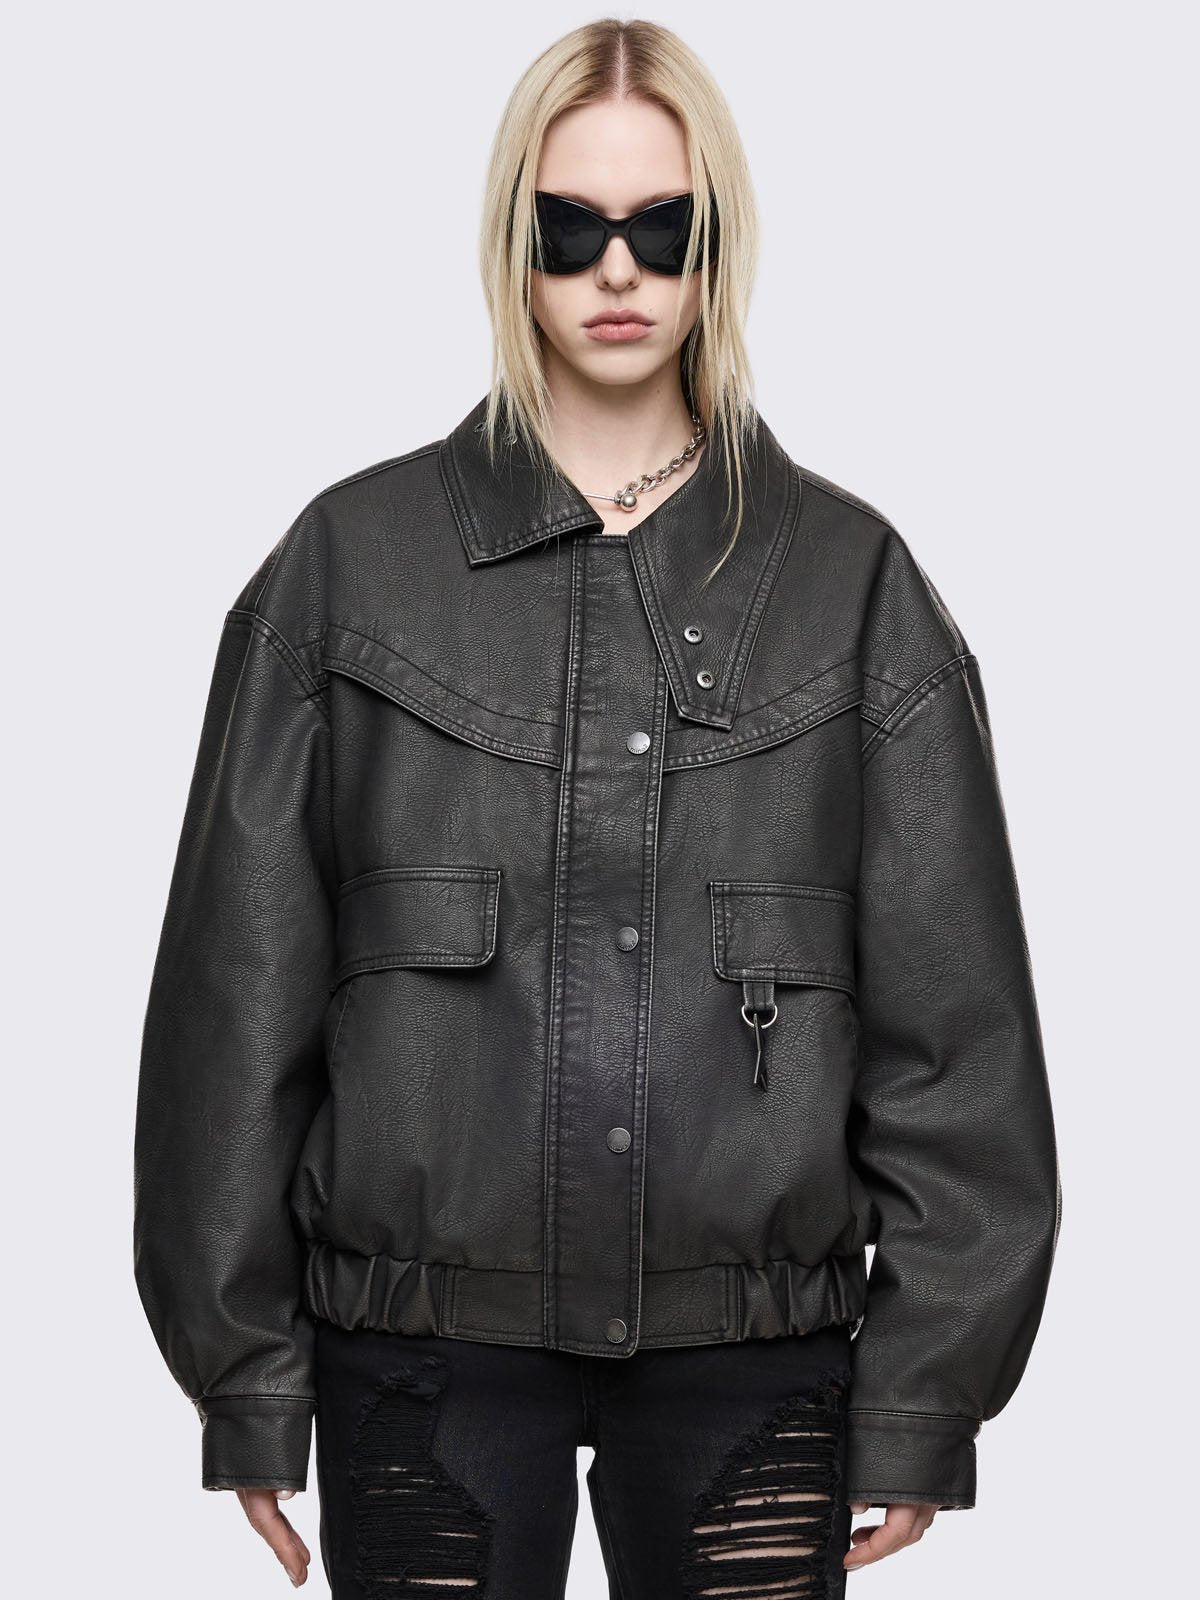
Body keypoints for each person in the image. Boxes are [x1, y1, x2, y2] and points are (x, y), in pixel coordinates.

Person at [133, 18, 1061, 1598]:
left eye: (660, 228)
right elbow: (237, 998)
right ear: (513, 243)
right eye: (569, 229)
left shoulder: (851, 588)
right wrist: (246, 1380)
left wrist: (923, 1398)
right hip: (420, 1353)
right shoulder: (350, 569)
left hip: (752, 1359)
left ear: (718, 244)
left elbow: (956, 1033)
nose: (616, 271)